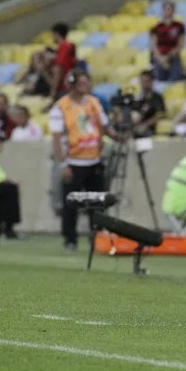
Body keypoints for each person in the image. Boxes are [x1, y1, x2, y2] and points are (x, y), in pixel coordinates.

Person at [48, 69, 119, 250]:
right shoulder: (60, 107)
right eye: (81, 83)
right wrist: (63, 163)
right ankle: (70, 239)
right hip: (73, 161)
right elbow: (57, 139)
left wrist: (118, 136)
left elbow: (104, 126)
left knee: (97, 204)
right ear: (71, 85)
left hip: (94, 160)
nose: (86, 86)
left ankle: (97, 238)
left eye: (87, 82)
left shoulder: (94, 103)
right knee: (70, 204)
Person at [149, 1, 185, 82]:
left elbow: (180, 45)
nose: (168, 11)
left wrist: (167, 57)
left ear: (174, 11)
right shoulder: (156, 27)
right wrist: (161, 59)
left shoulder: (179, 26)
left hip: (173, 57)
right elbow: (153, 46)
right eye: (167, 9)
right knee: (158, 78)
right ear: (163, 10)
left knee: (175, 79)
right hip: (159, 57)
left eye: (170, 9)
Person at [48, 22, 78, 103]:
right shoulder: (68, 46)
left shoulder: (64, 47)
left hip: (64, 87)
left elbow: (59, 69)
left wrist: (53, 90)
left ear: (56, 34)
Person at [134, 70, 166, 138]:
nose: (143, 84)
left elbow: (161, 115)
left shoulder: (157, 98)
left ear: (151, 82)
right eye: (142, 81)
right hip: (136, 126)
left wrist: (146, 124)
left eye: (146, 81)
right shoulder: (138, 97)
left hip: (149, 129)